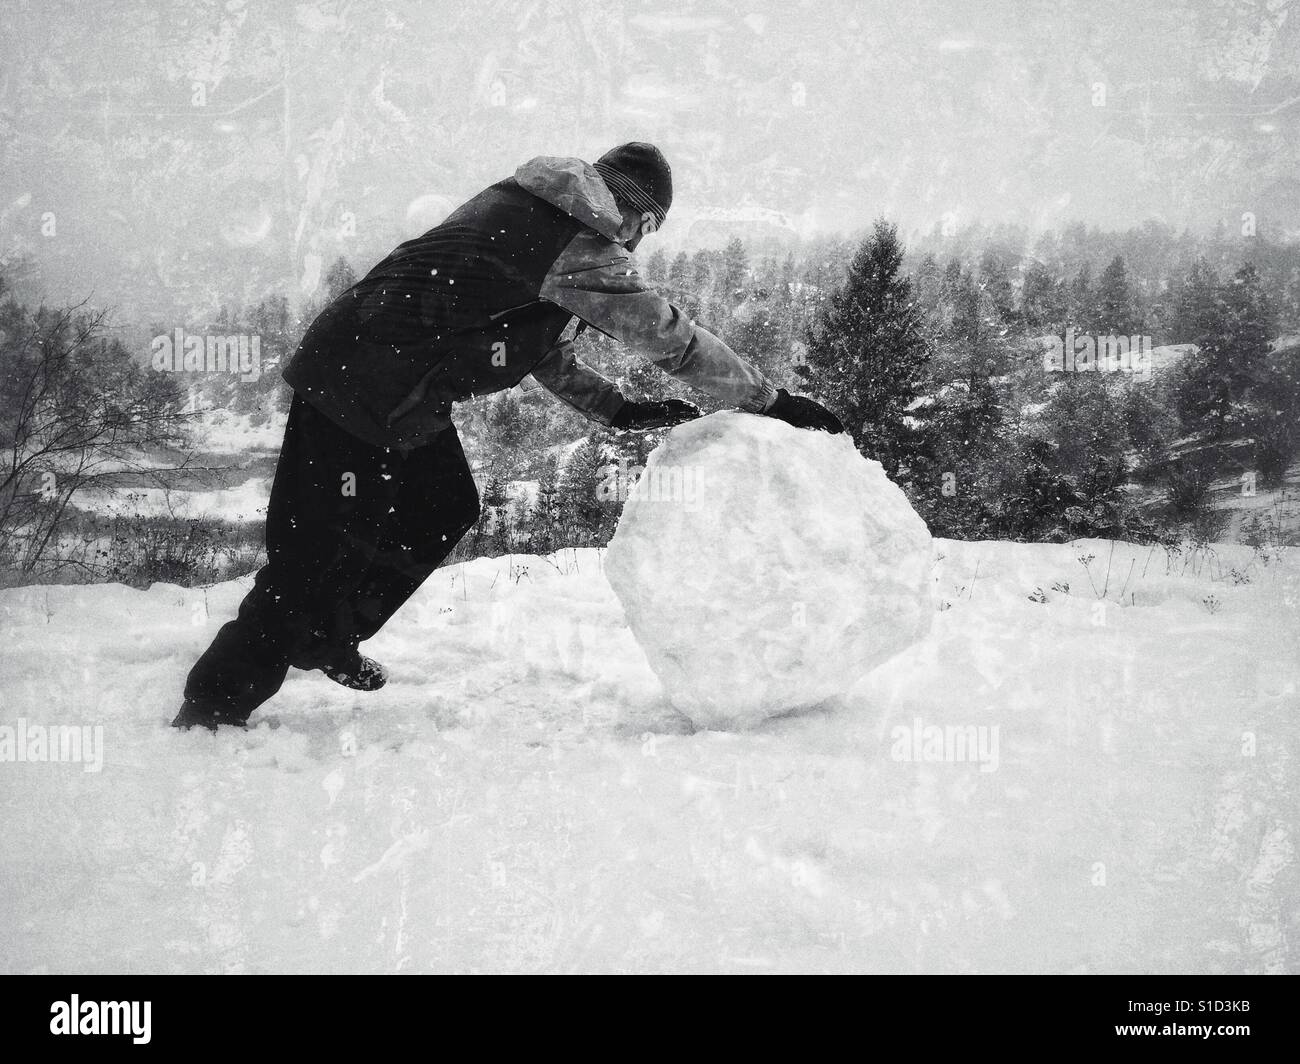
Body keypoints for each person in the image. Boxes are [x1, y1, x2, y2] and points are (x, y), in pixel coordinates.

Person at [172, 142, 843, 731]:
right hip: (363, 383)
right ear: (641, 215)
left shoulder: (533, 211)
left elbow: (539, 348)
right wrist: (772, 400)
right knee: (313, 554)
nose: (641, 241)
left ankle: (329, 633)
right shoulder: (577, 237)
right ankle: (214, 704)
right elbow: (670, 338)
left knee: (441, 504)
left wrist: (616, 411)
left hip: (390, 383)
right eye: (649, 228)